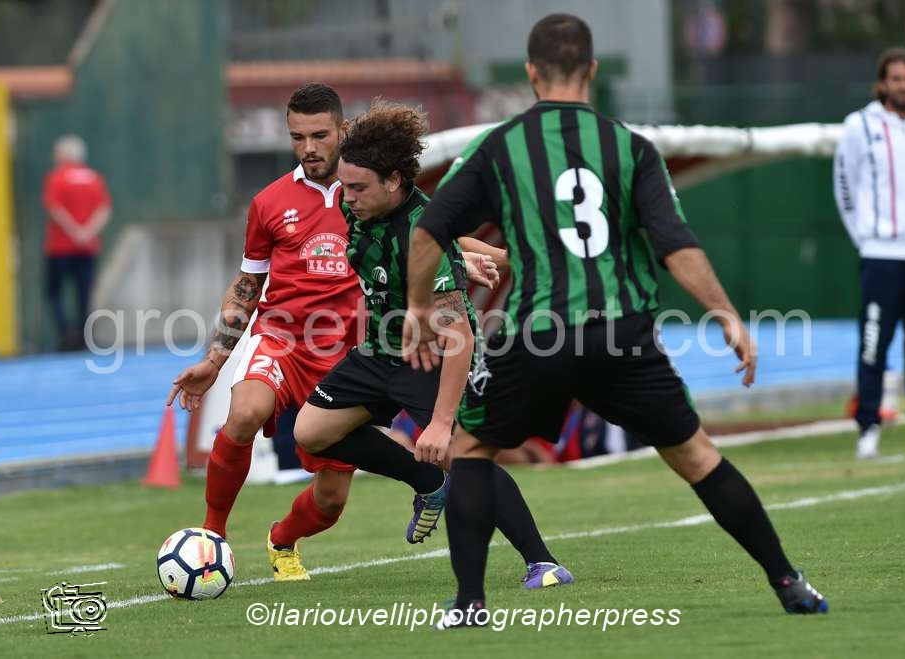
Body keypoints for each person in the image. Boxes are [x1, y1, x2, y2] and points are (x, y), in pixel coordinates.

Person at [404, 14, 828, 625]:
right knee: (697, 456)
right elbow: (676, 245)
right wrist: (727, 315)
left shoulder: (499, 147)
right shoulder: (631, 147)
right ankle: (787, 581)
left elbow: (429, 229)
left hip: (538, 334)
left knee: (471, 450)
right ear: (593, 70)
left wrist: (420, 306)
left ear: (531, 73)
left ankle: (470, 604)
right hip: (621, 334)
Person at [166, 83, 519, 583]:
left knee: (330, 502)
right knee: (243, 414)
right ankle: (212, 536)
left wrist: (489, 257)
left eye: (319, 135)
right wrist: (214, 360)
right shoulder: (269, 203)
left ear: (343, 130)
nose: (308, 148)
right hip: (283, 339)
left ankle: (282, 539)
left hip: (347, 353)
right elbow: (247, 284)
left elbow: (425, 230)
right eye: (297, 137)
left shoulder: (364, 189)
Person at [293, 99, 573, 590]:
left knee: (465, 454)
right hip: (380, 348)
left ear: (393, 181)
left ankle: (542, 562)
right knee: (311, 431)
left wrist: (441, 425)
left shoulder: (422, 230)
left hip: (434, 358)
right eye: (345, 185)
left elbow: (458, 335)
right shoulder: (358, 203)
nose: (347, 197)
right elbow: (439, 239)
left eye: (358, 188)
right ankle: (427, 482)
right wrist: (476, 255)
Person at [834, 47, 905, 460]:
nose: (902, 86)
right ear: (883, 83)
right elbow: (845, 185)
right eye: (896, 79)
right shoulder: (859, 126)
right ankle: (868, 427)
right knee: (873, 343)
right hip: (880, 253)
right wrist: (865, 237)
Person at [42, 135, 111, 351]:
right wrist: (87, 232)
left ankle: (65, 334)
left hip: (60, 247)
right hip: (87, 248)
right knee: (84, 294)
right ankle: (83, 337)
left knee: (54, 292)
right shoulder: (94, 178)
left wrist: (74, 231)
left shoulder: (56, 178)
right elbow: (103, 209)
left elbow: (55, 208)